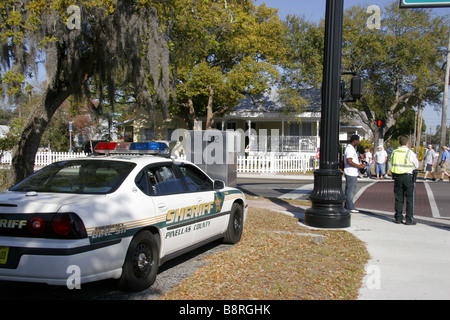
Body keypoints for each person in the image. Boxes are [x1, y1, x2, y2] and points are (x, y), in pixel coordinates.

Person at [391, 135, 419, 225]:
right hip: (408, 177)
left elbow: (392, 162)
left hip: (398, 177)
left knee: (399, 198)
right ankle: (409, 219)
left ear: (399, 143)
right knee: (409, 199)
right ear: (407, 143)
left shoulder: (394, 152)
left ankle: (398, 218)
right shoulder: (410, 153)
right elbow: (417, 165)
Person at [344, 135, 366, 213]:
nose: (358, 142)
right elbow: (349, 161)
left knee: (352, 190)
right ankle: (349, 207)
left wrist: (359, 159)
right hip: (350, 172)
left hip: (353, 172)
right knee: (350, 190)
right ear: (354, 140)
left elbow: (353, 159)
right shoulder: (349, 149)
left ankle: (348, 205)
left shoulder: (352, 149)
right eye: (358, 141)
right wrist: (359, 166)